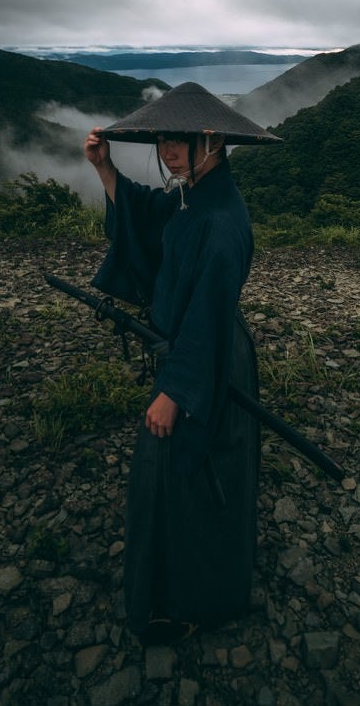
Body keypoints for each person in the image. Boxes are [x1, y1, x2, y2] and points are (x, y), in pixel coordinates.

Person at [83, 81, 281, 643]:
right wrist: (107, 171)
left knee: (195, 472)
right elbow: (153, 215)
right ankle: (178, 584)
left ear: (213, 139)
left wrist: (175, 390)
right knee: (179, 476)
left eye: (182, 139)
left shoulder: (223, 220)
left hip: (207, 354)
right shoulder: (197, 191)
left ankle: (201, 601)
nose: (169, 149)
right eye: (165, 138)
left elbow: (209, 313)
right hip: (196, 350)